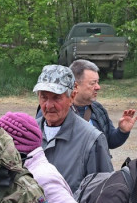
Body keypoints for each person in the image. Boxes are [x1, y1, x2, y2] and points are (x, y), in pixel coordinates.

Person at [34, 64, 113, 192]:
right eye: (44, 97)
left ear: (72, 97)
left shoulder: (92, 140)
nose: (49, 105)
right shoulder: (28, 133)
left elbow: (104, 194)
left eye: (56, 97)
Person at [69, 59, 137, 149]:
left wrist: (122, 131)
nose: (98, 87)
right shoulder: (61, 113)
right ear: (76, 86)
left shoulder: (98, 109)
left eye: (97, 82)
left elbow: (110, 141)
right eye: (93, 83)